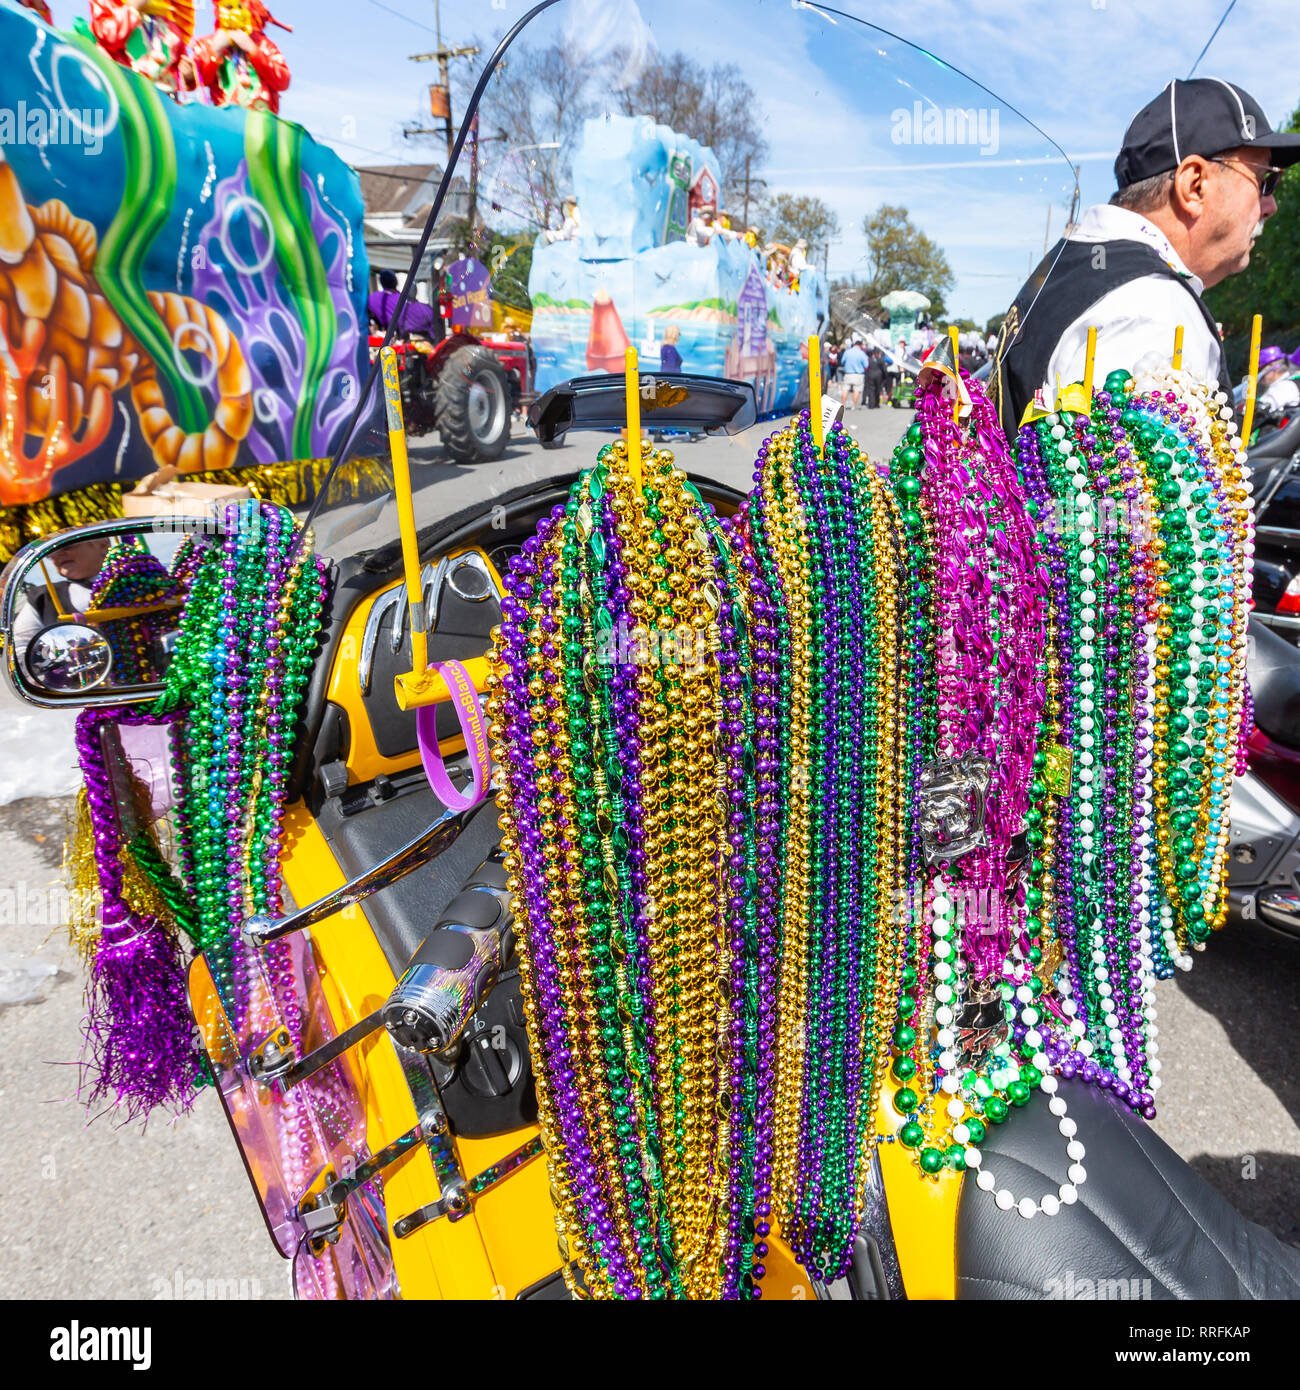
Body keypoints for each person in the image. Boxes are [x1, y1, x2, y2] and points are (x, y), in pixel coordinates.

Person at [995, 78, 1300, 439]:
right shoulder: (1153, 310)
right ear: (1194, 185)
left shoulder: (1080, 263)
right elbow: (1132, 491)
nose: (1271, 206)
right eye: (1265, 181)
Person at [368, 269, 439, 337]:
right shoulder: (404, 299)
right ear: (396, 282)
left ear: (381, 282)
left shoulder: (372, 298)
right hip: (412, 337)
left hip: (394, 338)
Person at [840, 337, 869, 408]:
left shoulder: (847, 352)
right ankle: (853, 405)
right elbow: (866, 365)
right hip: (858, 374)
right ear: (861, 345)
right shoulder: (862, 353)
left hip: (848, 373)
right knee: (857, 389)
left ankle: (842, 405)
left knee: (845, 389)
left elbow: (842, 361)